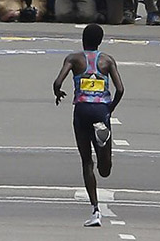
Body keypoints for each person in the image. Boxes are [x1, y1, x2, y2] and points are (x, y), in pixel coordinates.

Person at [53, 24, 125, 228]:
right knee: (105, 169)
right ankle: (102, 143)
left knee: (86, 162)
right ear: (100, 41)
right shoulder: (107, 60)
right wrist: (110, 108)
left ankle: (95, 209)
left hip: (81, 110)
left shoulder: (73, 58)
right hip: (101, 109)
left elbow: (58, 82)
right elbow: (120, 89)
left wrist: (58, 94)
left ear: (83, 40)